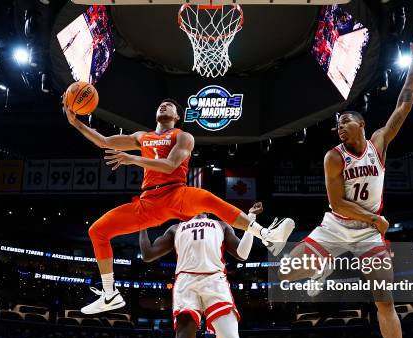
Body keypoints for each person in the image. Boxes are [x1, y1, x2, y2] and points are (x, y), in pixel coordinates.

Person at [278, 34, 413, 338]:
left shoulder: (378, 143)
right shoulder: (334, 157)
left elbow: (404, 104)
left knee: (384, 300)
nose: (339, 128)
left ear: (361, 125)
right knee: (285, 273)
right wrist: (375, 219)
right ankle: (319, 268)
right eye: (337, 126)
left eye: (345, 123)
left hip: (367, 237)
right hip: (337, 226)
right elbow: (338, 203)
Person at [65, 98, 295, 314]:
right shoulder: (141, 137)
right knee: (97, 231)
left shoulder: (183, 136)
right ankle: (110, 294)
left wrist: (133, 159)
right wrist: (76, 123)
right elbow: (104, 141)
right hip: (149, 202)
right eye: (161, 105)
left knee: (207, 199)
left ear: (177, 117)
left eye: (170, 106)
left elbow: (169, 165)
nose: (164, 106)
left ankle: (266, 234)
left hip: (176, 193)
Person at [139, 203, 264, 338]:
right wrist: (142, 226)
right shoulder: (176, 228)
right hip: (186, 282)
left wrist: (251, 219)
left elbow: (242, 254)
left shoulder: (221, 225)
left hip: (214, 281)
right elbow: (147, 254)